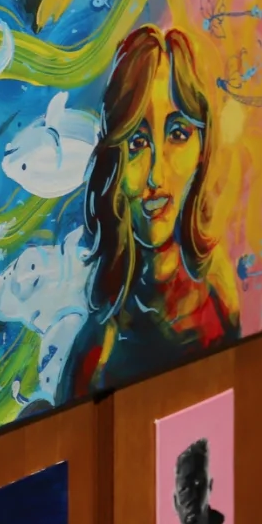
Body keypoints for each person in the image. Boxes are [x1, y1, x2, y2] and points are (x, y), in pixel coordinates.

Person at [73, 25, 233, 394]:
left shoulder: (223, 312)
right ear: (114, 162)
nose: (156, 175)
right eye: (138, 142)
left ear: (202, 150)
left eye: (178, 134)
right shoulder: (97, 356)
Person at [168, 438, 225, 524]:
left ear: (210, 487)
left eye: (198, 484)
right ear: (175, 501)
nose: (192, 498)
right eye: (184, 488)